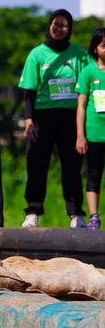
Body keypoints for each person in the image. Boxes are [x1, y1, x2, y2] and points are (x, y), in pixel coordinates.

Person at [18, 9, 88, 228]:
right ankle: (33, 212)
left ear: (70, 29)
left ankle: (76, 214)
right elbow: (29, 91)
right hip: (42, 117)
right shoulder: (37, 54)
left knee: (72, 167)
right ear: (49, 25)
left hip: (71, 118)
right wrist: (28, 120)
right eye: (56, 24)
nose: (59, 29)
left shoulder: (80, 55)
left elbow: (90, 84)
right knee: (37, 166)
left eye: (64, 25)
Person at [76, 27, 105, 230]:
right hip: (94, 132)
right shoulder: (88, 71)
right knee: (94, 174)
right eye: (104, 45)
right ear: (95, 48)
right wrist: (80, 135)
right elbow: (81, 105)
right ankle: (94, 217)